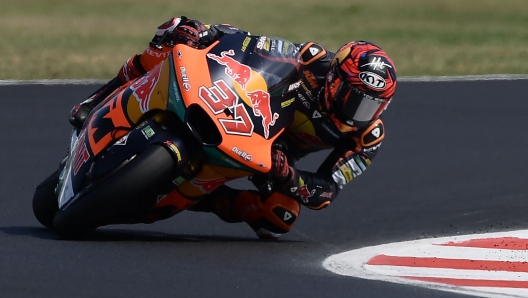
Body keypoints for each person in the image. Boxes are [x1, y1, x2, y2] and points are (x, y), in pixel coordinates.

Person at [69, 16, 397, 240]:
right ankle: (98, 98)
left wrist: (290, 177)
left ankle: (214, 198)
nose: (357, 111)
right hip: (251, 108)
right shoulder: (312, 61)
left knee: (281, 216)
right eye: (351, 97)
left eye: (370, 105)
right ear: (335, 78)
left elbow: (327, 190)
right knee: (176, 32)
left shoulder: (367, 138)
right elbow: (254, 45)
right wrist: (208, 33)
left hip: (272, 157)